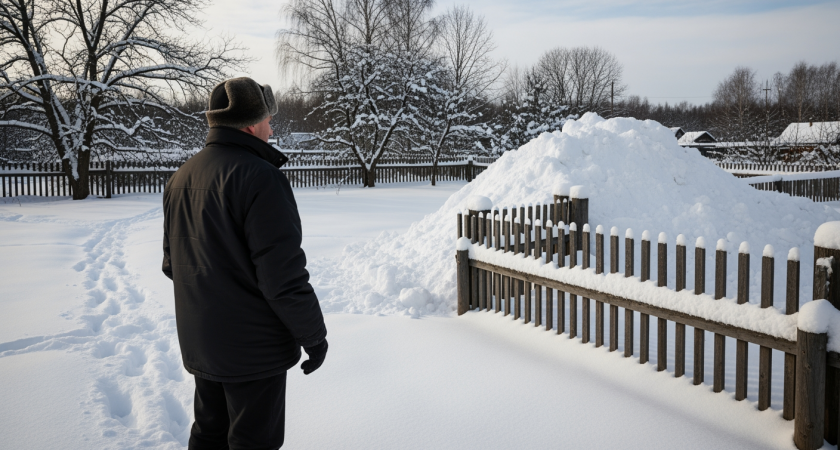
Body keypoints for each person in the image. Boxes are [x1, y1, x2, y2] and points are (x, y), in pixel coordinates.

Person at [162, 77, 328, 450]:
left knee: (209, 433)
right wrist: (314, 337)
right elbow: (282, 276)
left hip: (201, 341)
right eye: (269, 120)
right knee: (253, 442)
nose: (272, 128)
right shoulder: (261, 178)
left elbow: (173, 264)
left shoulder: (180, 179)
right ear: (252, 125)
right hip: (254, 351)